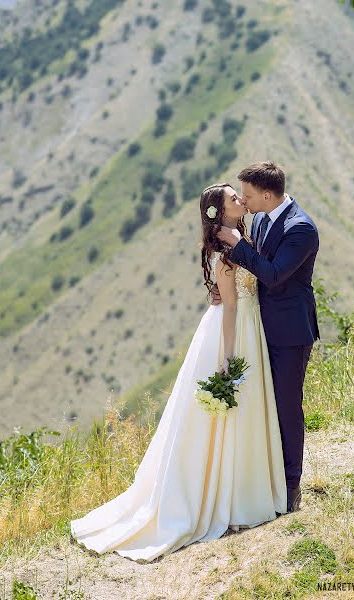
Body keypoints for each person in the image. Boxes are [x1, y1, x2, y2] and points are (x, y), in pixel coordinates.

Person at [70, 183, 287, 563]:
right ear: (219, 212)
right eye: (233, 198)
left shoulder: (243, 235)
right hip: (231, 333)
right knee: (227, 412)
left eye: (240, 195)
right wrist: (229, 358)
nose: (241, 199)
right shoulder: (227, 252)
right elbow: (231, 307)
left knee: (247, 412)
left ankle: (245, 491)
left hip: (252, 326)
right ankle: (225, 498)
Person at [215, 162, 320, 514]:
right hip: (259, 328)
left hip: (291, 332)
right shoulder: (260, 218)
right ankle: (267, 479)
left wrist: (234, 244)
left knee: (287, 406)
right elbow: (254, 271)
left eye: (246, 194)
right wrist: (225, 288)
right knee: (264, 404)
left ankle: (291, 486)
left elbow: (274, 275)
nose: (243, 201)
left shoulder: (301, 229)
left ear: (266, 194)